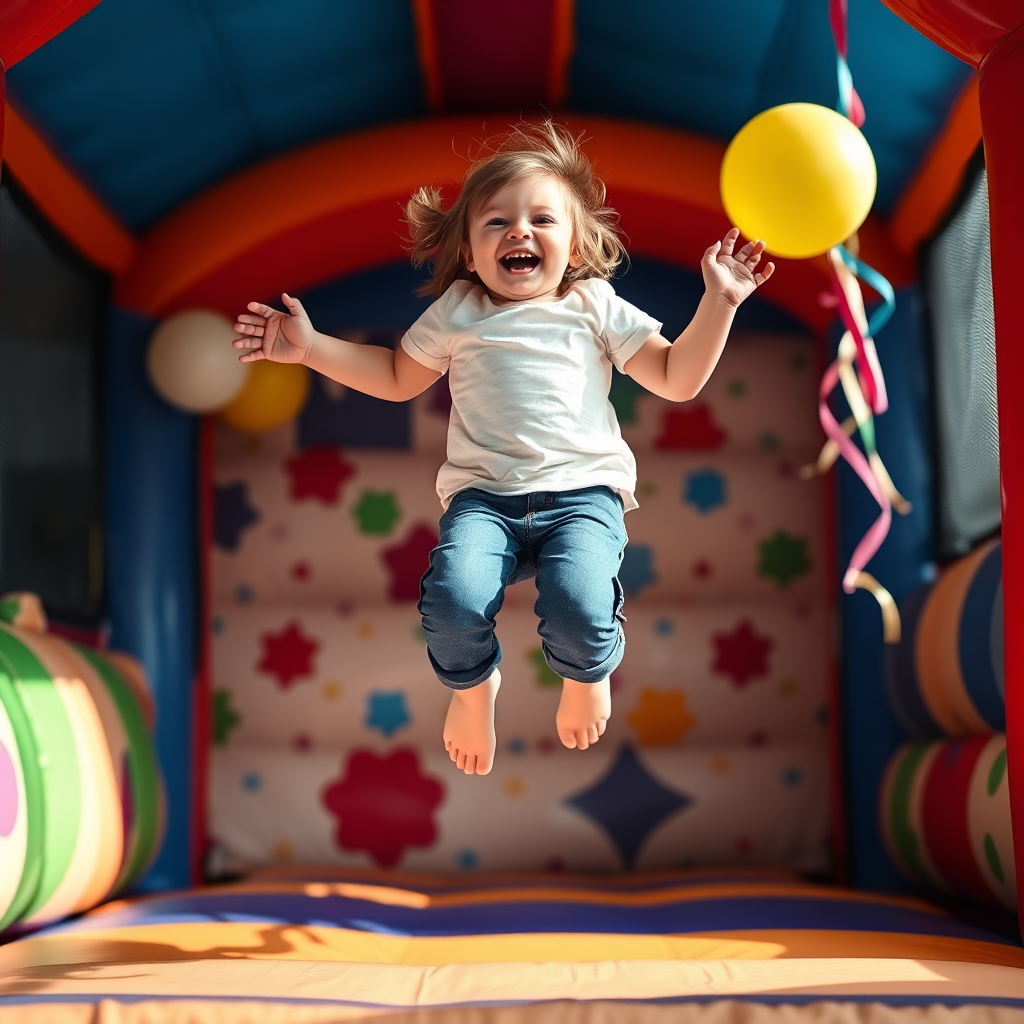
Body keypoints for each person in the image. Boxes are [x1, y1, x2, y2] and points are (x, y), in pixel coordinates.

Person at [232, 121, 773, 777]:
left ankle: (586, 673)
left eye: (542, 219)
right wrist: (311, 348)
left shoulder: (592, 305)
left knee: (580, 603)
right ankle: (471, 687)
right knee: (452, 601)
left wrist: (719, 302)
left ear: (575, 245)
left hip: (581, 498)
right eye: (497, 222)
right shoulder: (460, 309)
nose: (519, 232)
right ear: (467, 248)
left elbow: (677, 378)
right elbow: (398, 377)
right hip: (484, 501)